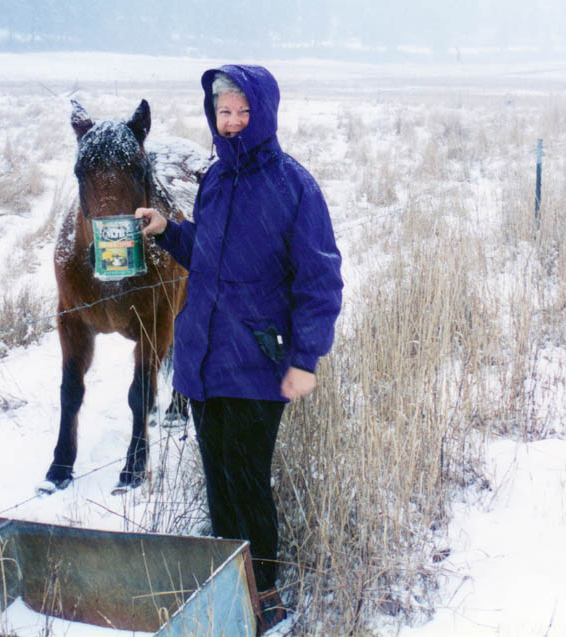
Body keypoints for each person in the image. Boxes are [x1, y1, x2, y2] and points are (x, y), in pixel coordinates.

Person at [136, 64, 343, 632]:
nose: (231, 123)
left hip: (256, 362)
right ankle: (231, 589)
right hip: (205, 359)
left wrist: (305, 359)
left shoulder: (293, 186)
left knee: (248, 483)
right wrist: (168, 230)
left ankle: (267, 597)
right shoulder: (216, 180)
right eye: (222, 112)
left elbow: (320, 280)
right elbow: (210, 253)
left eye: (242, 112)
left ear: (264, 113)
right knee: (219, 481)